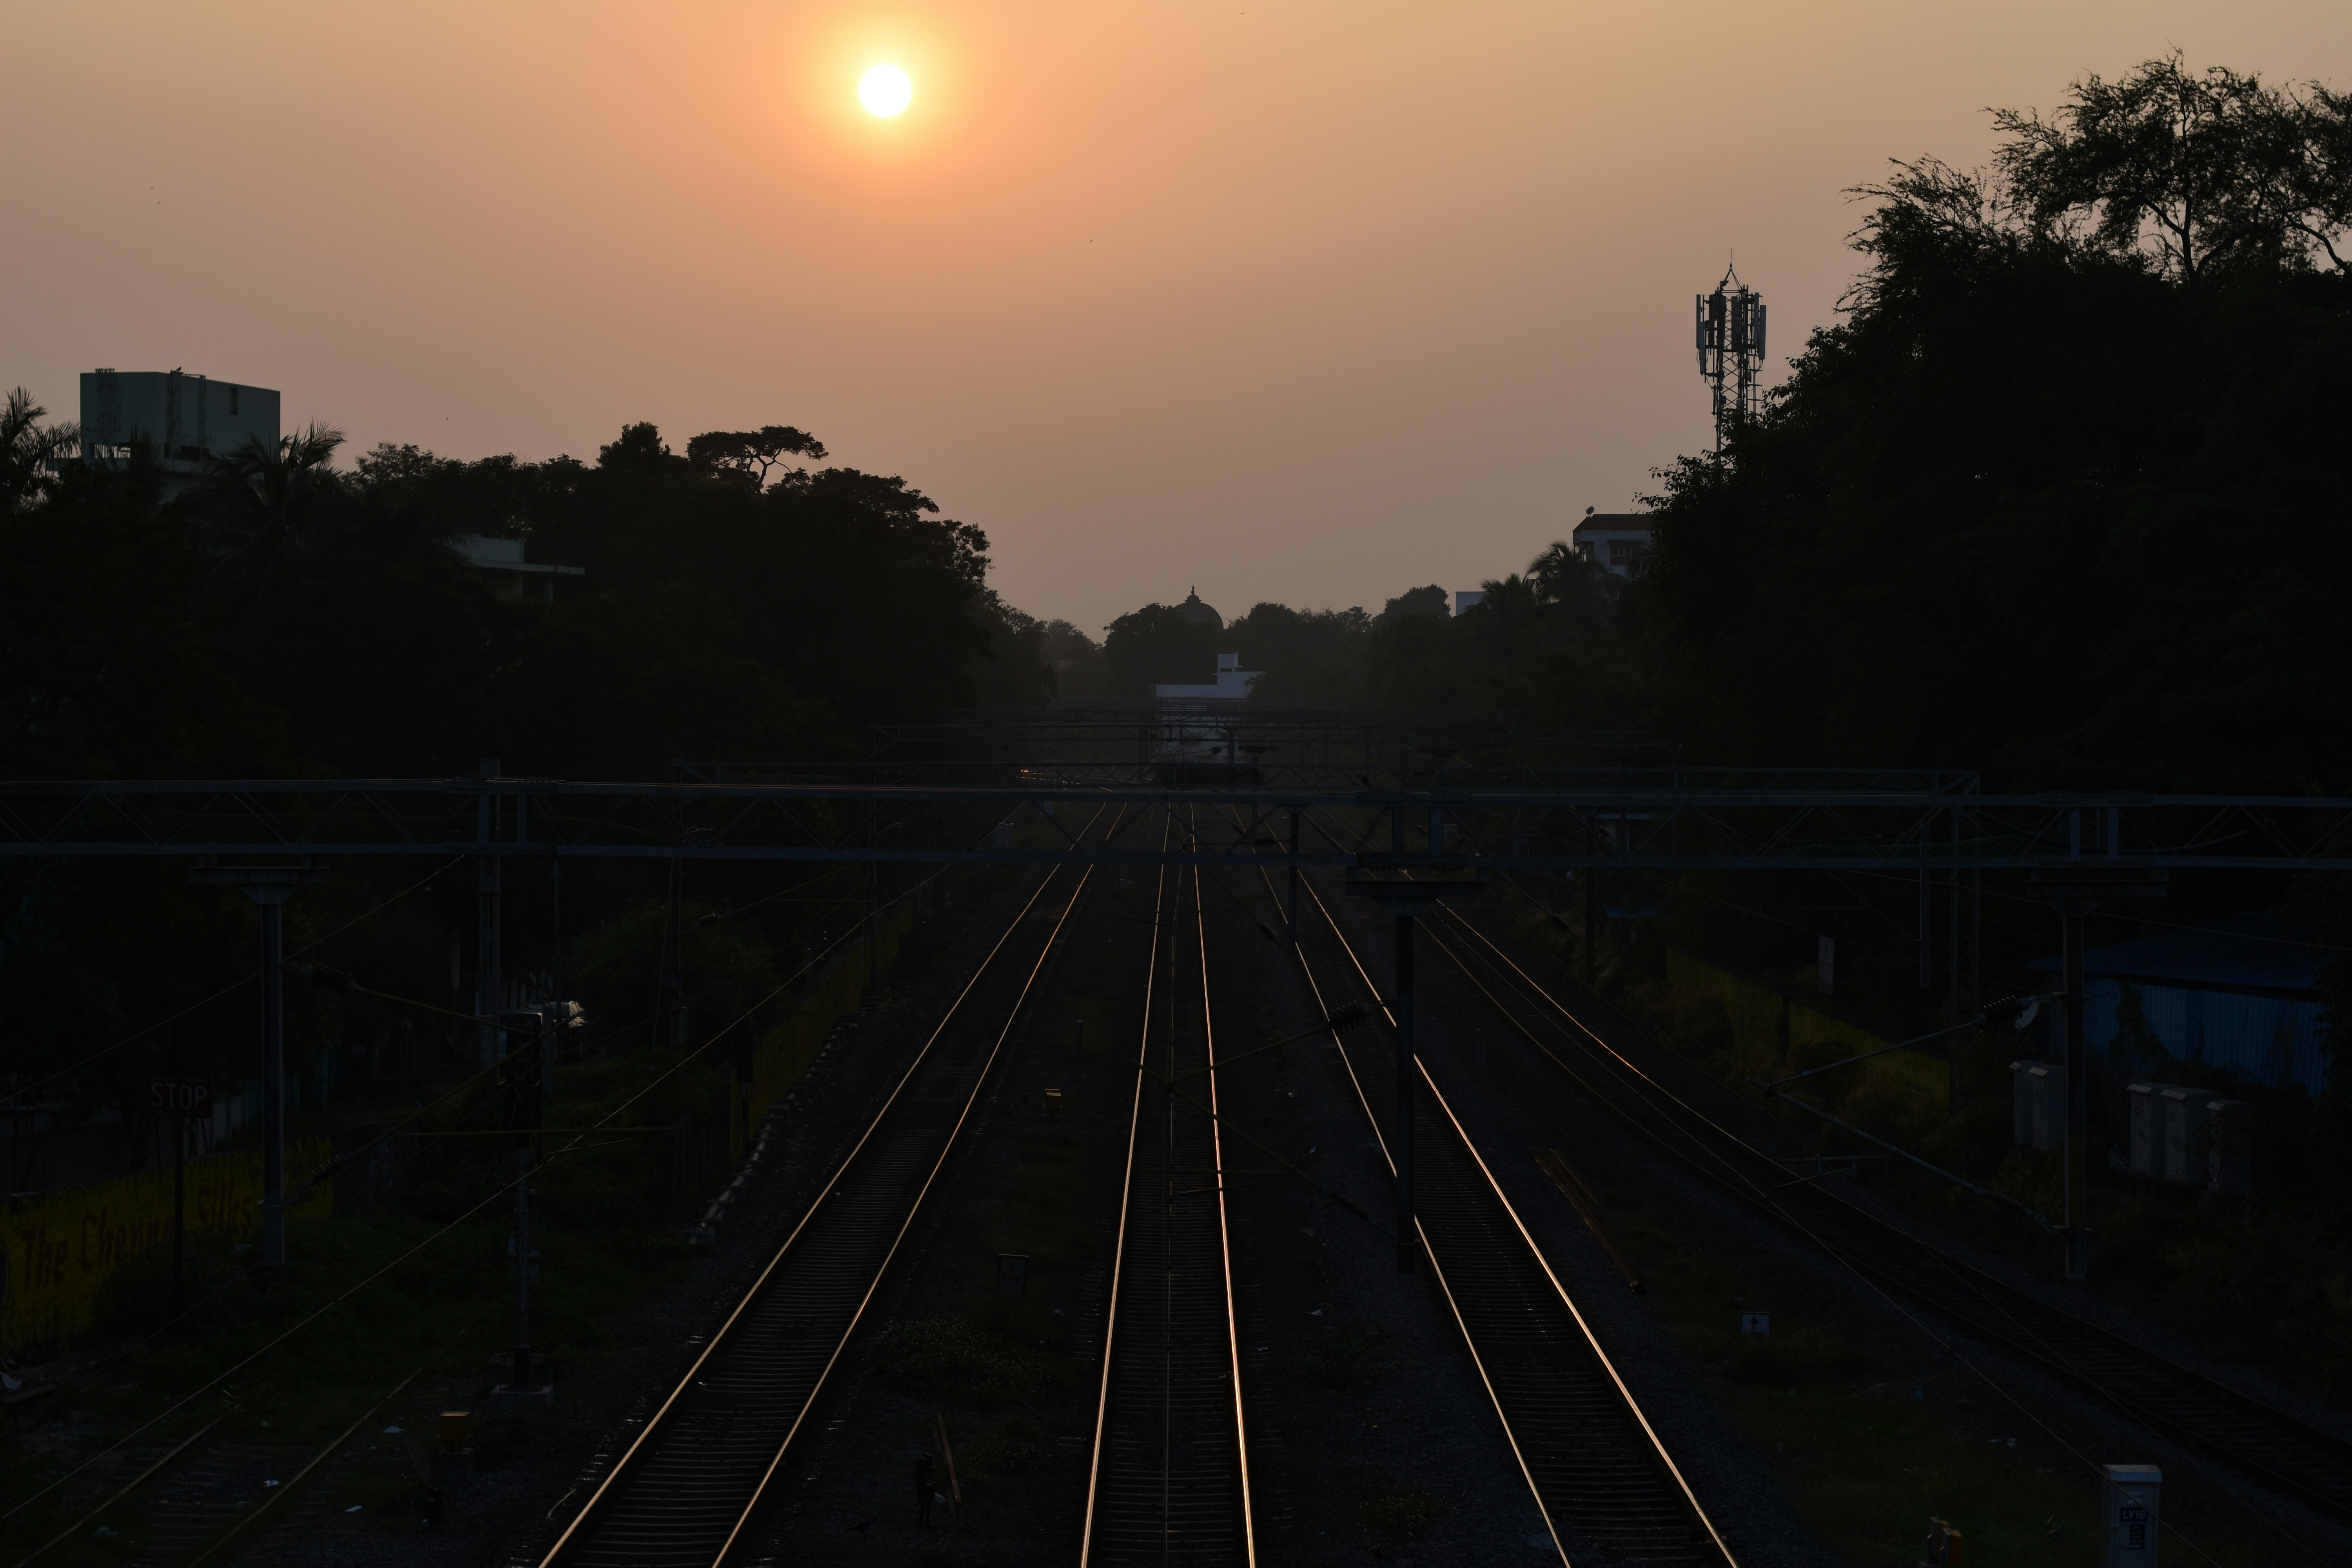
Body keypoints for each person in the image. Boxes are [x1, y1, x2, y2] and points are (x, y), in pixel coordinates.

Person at [915, 1451, 934, 1526]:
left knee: (921, 1499)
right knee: (922, 1500)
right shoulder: (922, 1477)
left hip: (921, 1482)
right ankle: (922, 1519)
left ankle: (921, 1518)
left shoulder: (921, 1466)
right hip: (922, 1482)